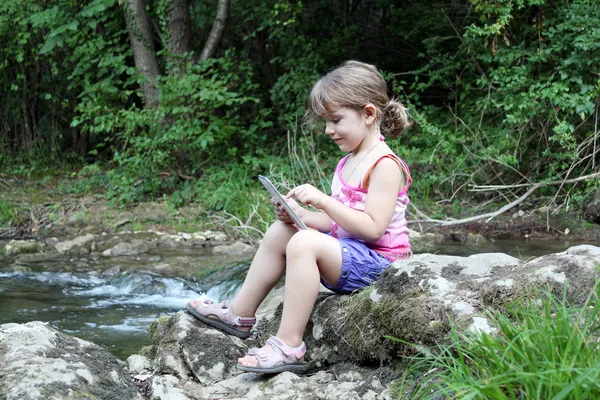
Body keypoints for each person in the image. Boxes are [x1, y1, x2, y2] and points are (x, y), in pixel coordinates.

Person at [186, 60, 413, 374]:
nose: (328, 130)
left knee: (305, 244)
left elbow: (373, 229)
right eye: (325, 121)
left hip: (380, 263)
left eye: (335, 120)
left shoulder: (385, 165)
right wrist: (300, 216)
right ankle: (240, 312)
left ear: (369, 113)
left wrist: (322, 201)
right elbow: (340, 224)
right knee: (282, 231)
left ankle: (289, 344)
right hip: (351, 254)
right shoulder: (349, 160)